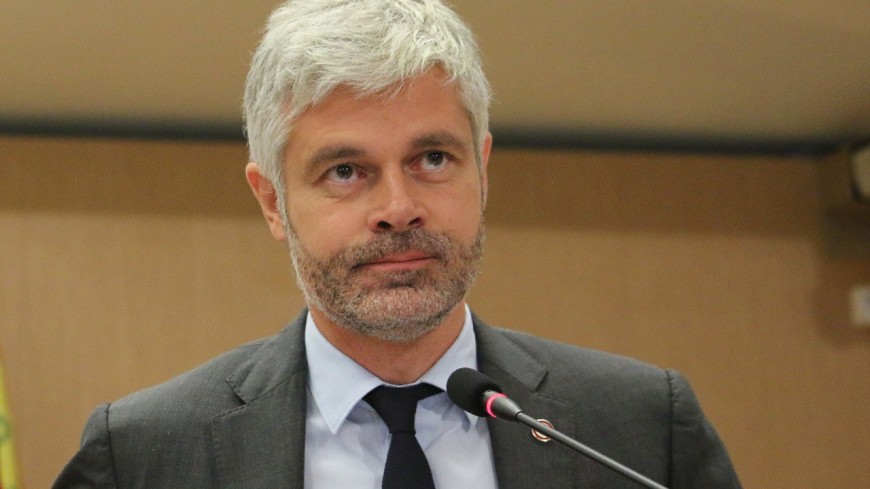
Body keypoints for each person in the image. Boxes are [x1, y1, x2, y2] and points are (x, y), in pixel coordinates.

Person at [53, 1, 742, 488]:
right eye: (345, 171)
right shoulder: (142, 456)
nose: (398, 209)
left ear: (482, 170)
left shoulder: (640, 428)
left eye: (433, 159)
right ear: (272, 202)